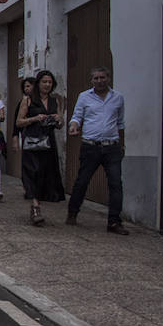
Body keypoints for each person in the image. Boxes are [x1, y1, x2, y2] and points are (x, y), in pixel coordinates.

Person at [66, 66, 128, 234]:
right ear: (91, 80)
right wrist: (73, 126)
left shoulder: (118, 98)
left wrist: (121, 145)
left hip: (111, 147)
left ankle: (114, 221)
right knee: (82, 181)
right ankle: (73, 212)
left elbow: (120, 123)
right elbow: (77, 116)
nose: (99, 81)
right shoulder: (84, 97)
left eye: (102, 78)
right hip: (90, 146)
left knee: (115, 184)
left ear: (108, 78)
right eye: (96, 78)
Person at [15, 68, 65, 226]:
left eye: (50, 82)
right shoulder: (28, 100)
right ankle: (35, 207)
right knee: (32, 172)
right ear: (38, 83)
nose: (47, 85)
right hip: (32, 141)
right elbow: (19, 122)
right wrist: (35, 118)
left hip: (48, 142)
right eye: (44, 82)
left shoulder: (54, 101)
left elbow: (59, 125)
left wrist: (58, 119)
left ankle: (38, 204)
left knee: (45, 173)